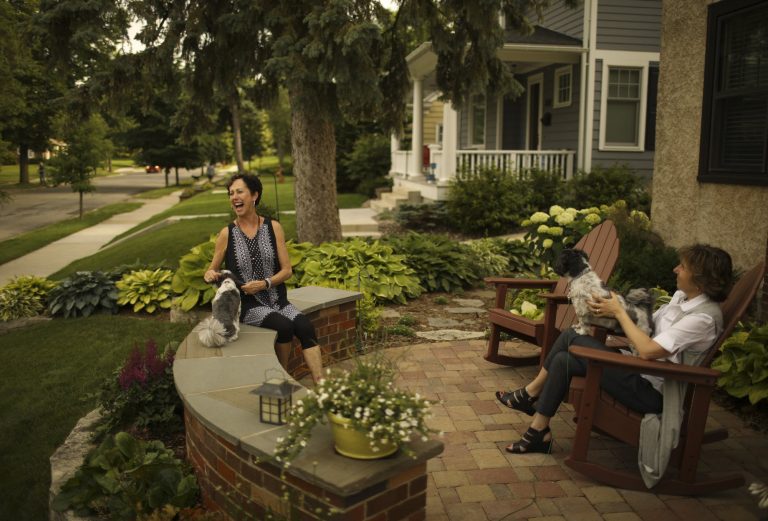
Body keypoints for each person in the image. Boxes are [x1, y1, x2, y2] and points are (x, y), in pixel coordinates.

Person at [496, 244, 733, 454]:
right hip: (638, 370)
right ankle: (539, 431)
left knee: (571, 335)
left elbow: (648, 350)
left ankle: (529, 394)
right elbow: (646, 326)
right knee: (563, 360)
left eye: (683, 267)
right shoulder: (681, 299)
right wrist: (616, 305)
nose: (675, 269)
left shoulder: (702, 319)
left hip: (652, 392)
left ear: (700, 280)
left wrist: (619, 312)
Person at [203, 173, 324, 383]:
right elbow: (210, 271)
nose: (234, 197)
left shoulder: (273, 227)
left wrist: (265, 284)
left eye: (239, 192)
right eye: (231, 193)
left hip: (278, 299)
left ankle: (321, 385)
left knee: (305, 326)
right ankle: (282, 378)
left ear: (254, 195)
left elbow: (287, 270)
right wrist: (210, 274)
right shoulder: (227, 234)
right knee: (284, 327)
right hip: (248, 305)